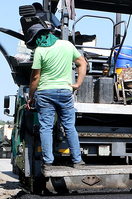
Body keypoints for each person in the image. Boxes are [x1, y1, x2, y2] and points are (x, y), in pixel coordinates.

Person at [25, 23, 88, 169]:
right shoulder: (67, 45)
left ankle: (48, 162)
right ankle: (77, 161)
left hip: (45, 93)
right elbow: (82, 63)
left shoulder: (40, 51)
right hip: (65, 92)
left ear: (37, 38)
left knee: (46, 128)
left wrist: (30, 97)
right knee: (69, 126)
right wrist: (78, 84)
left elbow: (35, 78)